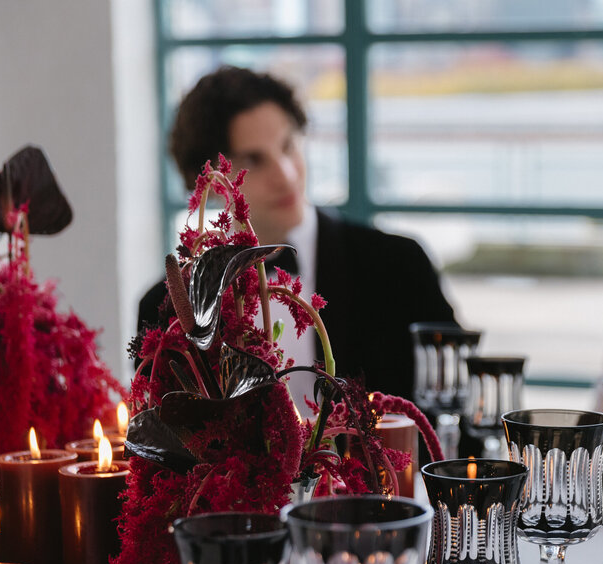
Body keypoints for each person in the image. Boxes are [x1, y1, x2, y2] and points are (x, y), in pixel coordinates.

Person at [136, 66, 458, 403]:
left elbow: (456, 414)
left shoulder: (399, 265)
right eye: (254, 160)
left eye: (288, 145)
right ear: (211, 182)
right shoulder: (168, 308)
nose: (286, 175)